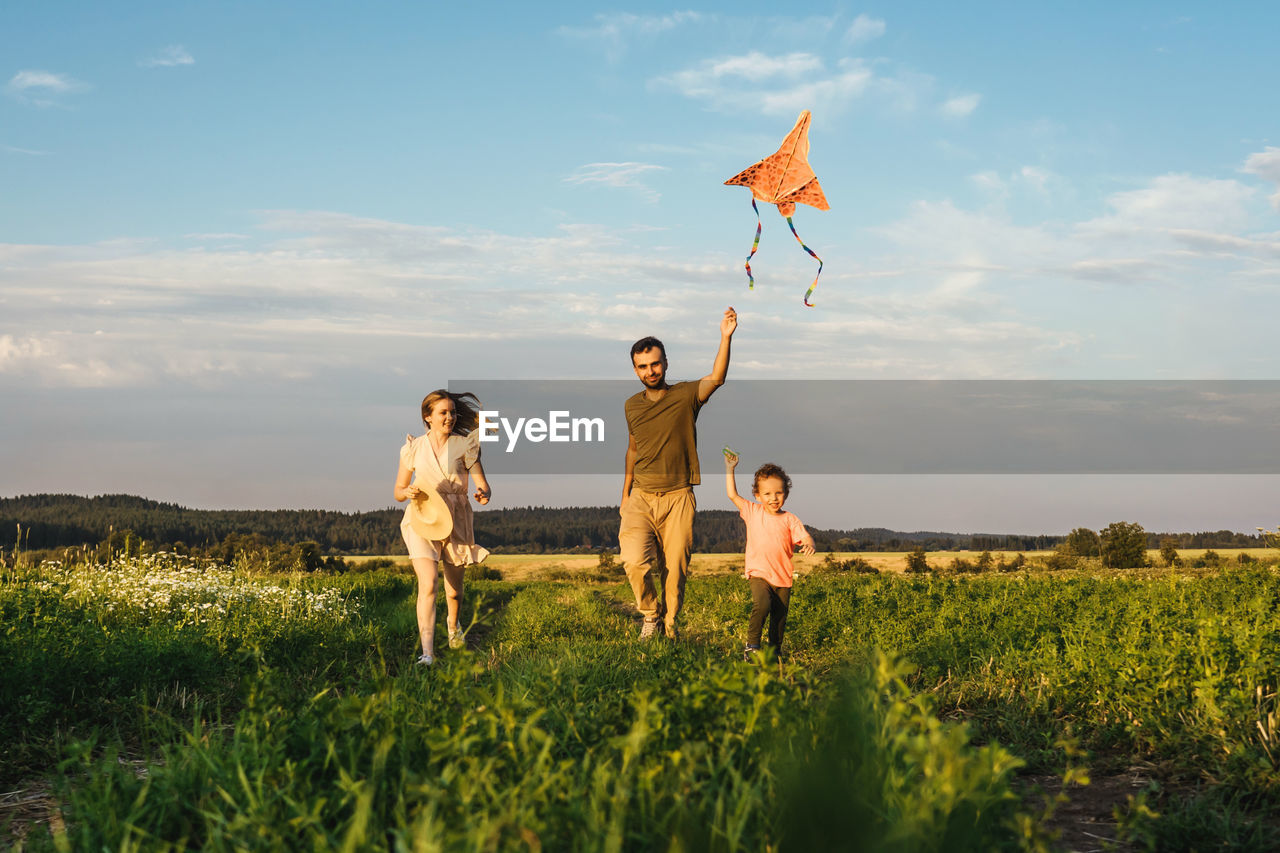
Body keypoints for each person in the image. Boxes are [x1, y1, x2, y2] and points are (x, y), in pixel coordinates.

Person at [619, 307, 737, 640]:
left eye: (655, 364)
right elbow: (633, 450)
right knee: (633, 561)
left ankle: (670, 626)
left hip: (678, 497)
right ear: (635, 369)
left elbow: (717, 378)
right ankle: (650, 616)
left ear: (666, 363)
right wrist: (624, 496)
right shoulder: (631, 405)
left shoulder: (686, 395)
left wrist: (725, 337)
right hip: (640, 497)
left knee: (675, 571)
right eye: (642, 366)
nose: (650, 371)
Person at [393, 390, 492, 666]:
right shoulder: (413, 448)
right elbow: (397, 491)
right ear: (428, 418)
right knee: (429, 584)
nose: (450, 417)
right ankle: (427, 654)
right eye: (443, 413)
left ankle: (453, 622)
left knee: (453, 591)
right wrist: (407, 491)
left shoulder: (465, 445)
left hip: (456, 518)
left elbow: (483, 484)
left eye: (452, 412)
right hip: (423, 516)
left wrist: (483, 493)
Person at [724, 451, 815, 660]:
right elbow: (732, 495)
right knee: (762, 605)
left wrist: (810, 544)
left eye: (778, 493)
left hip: (783, 578)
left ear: (785, 494)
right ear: (757, 495)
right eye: (767, 494)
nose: (773, 498)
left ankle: (775, 652)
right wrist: (730, 469)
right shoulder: (752, 511)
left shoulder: (790, 519)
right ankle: (752, 646)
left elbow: (806, 536)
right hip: (759, 574)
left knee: (779, 617)